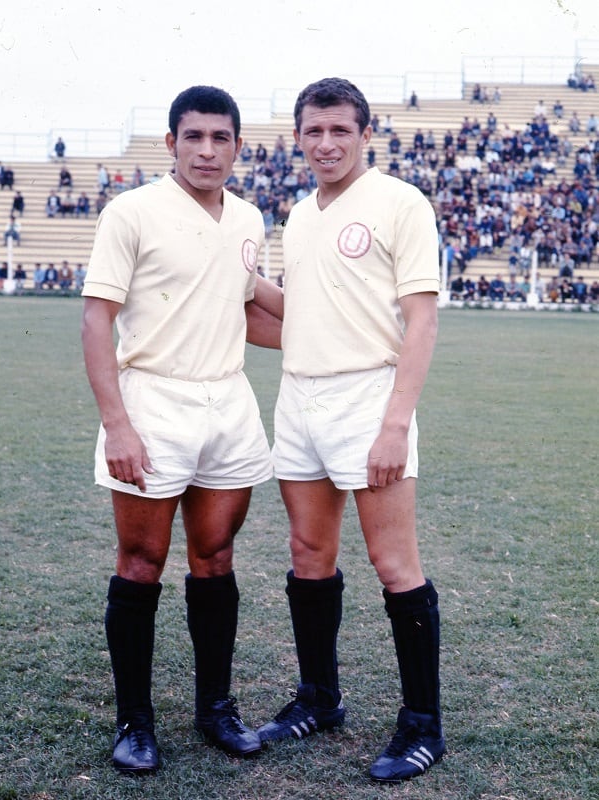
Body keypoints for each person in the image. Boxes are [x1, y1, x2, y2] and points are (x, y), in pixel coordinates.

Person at [81, 85, 280, 775]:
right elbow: (96, 321)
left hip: (227, 403)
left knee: (216, 557)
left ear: (237, 146)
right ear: (171, 143)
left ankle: (215, 707)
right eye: (192, 137)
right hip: (152, 402)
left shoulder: (250, 217)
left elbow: (248, 308)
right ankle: (134, 721)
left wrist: (346, 324)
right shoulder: (131, 212)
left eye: (219, 138)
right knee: (140, 562)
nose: (205, 150)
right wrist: (118, 425)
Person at [254, 77, 444, 785]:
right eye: (313, 131)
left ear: (367, 133)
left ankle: (423, 725)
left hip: (369, 396)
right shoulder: (298, 216)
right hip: (299, 396)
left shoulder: (400, 203)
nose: (326, 143)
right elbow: (297, 313)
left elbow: (421, 318)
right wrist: (235, 278)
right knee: (308, 552)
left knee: (394, 563)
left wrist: (396, 423)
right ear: (298, 138)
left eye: (340, 130)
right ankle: (319, 699)